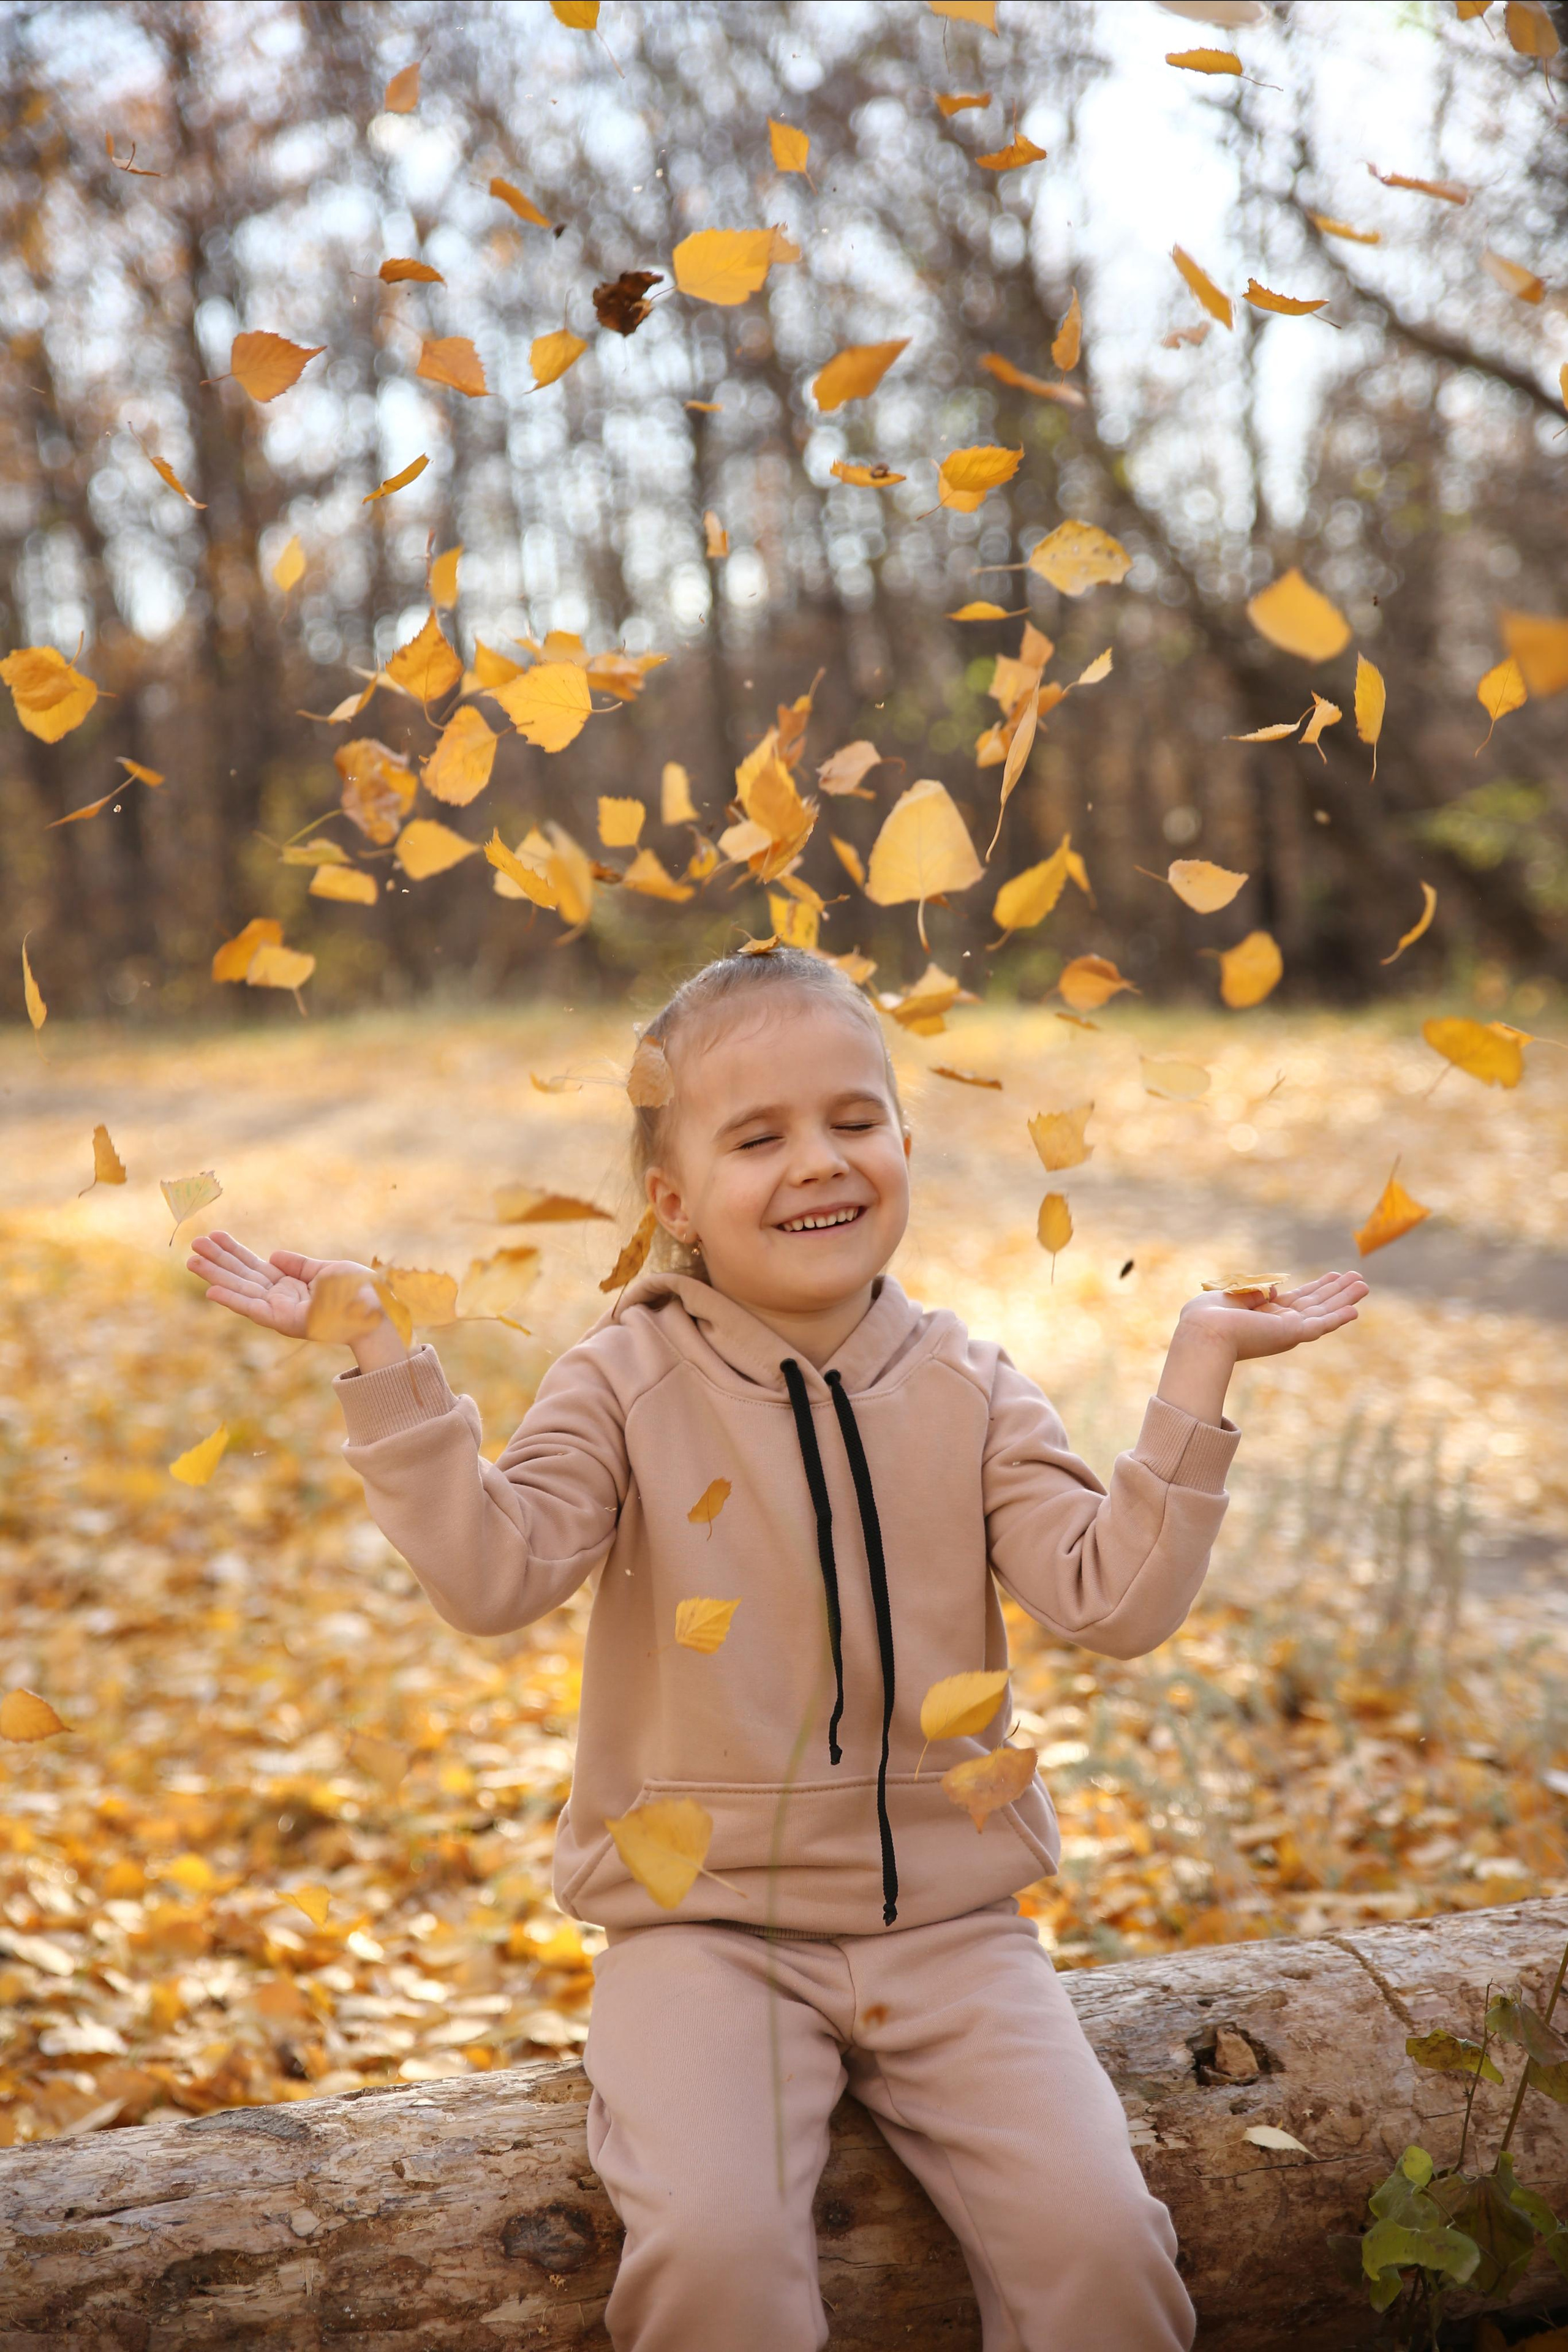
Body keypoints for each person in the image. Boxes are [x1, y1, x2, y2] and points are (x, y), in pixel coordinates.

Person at [187, 947, 1367, 2351]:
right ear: (674, 1203)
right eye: (759, 1137)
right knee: (719, 2252)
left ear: (904, 1146)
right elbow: (495, 1574)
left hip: (951, 1934)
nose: (819, 1161)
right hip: (704, 1937)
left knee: (1100, 2242)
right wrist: (380, 1358)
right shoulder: (620, 1379)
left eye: (852, 1121)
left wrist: (1195, 1375)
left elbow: (1107, 1601)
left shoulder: (968, 1383)